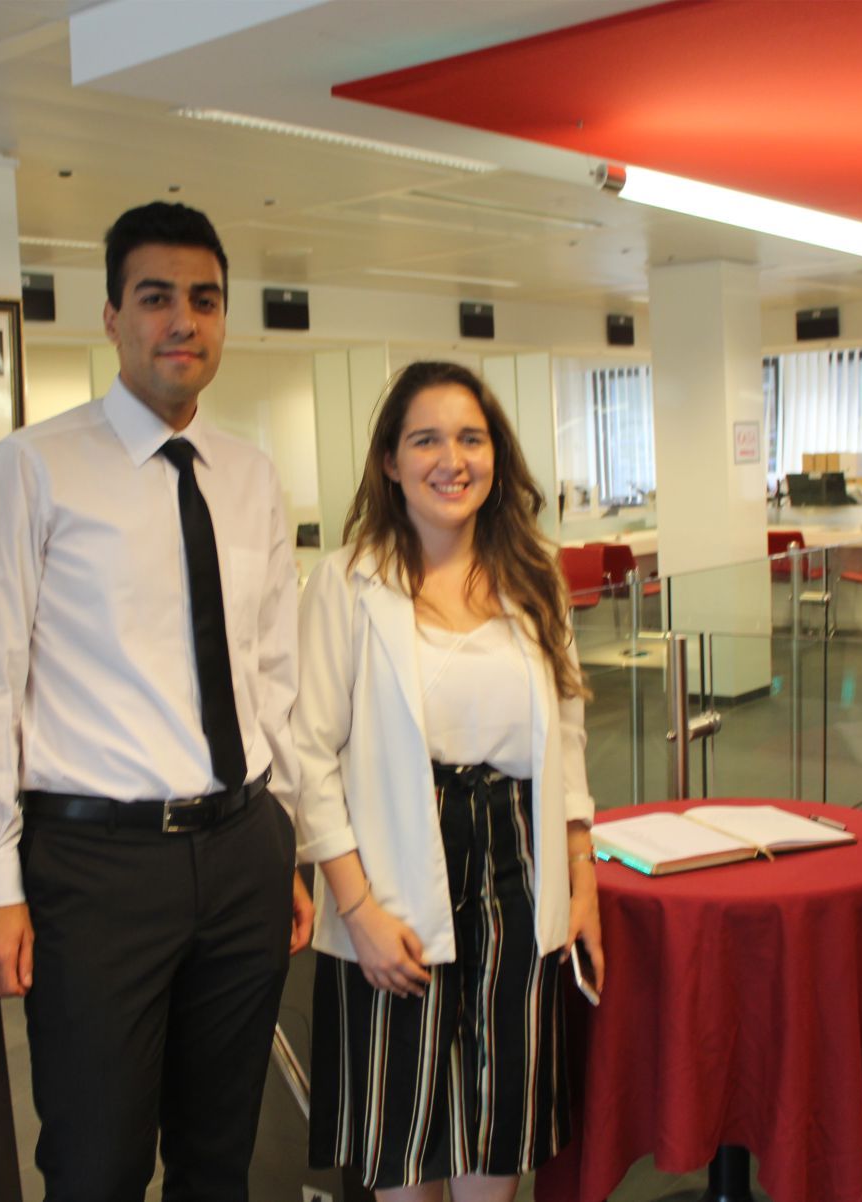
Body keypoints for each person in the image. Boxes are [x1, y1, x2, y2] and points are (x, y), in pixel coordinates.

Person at [0, 201, 313, 1201]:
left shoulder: (250, 476)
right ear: (110, 316)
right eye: (155, 298)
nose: (182, 320)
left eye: (205, 299)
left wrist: (284, 837)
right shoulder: (33, 469)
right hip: (96, 869)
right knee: (97, 1162)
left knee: (219, 1154)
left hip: (242, 848)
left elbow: (270, 670)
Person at [292, 361, 602, 1200]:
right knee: (404, 1128)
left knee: (501, 1119)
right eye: (425, 440)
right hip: (394, 861)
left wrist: (581, 879)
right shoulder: (345, 583)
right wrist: (357, 911)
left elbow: (567, 736)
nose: (451, 460)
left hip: (516, 856)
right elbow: (308, 757)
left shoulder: (533, 576)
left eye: (470, 438)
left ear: (495, 454)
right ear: (389, 461)